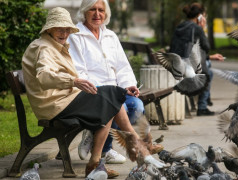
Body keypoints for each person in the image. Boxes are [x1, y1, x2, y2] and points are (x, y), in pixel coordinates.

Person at [21, 7, 139, 178]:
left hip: (64, 98)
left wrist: (77, 83)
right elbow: (44, 75)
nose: (64, 32)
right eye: (59, 28)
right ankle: (130, 144)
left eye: (67, 29)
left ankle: (120, 147)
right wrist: (74, 81)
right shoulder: (44, 48)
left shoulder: (54, 45)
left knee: (111, 96)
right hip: (55, 105)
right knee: (110, 98)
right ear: (49, 29)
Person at [67, 0, 148, 169]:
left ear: (106, 13)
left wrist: (128, 85)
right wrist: (102, 91)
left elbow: (123, 66)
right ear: (84, 12)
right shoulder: (76, 36)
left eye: (101, 10)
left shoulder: (110, 36)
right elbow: (79, 70)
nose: (97, 14)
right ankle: (106, 150)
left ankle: (93, 133)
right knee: (118, 108)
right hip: (93, 93)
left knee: (137, 107)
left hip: (116, 91)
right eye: (93, 10)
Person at [169, 2, 224, 116]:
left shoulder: (180, 26)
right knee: (208, 71)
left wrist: (210, 57)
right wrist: (202, 28)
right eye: (204, 15)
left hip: (176, 64)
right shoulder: (196, 28)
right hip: (187, 68)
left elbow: (186, 51)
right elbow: (206, 47)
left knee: (207, 64)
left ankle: (205, 101)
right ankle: (202, 106)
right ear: (199, 16)